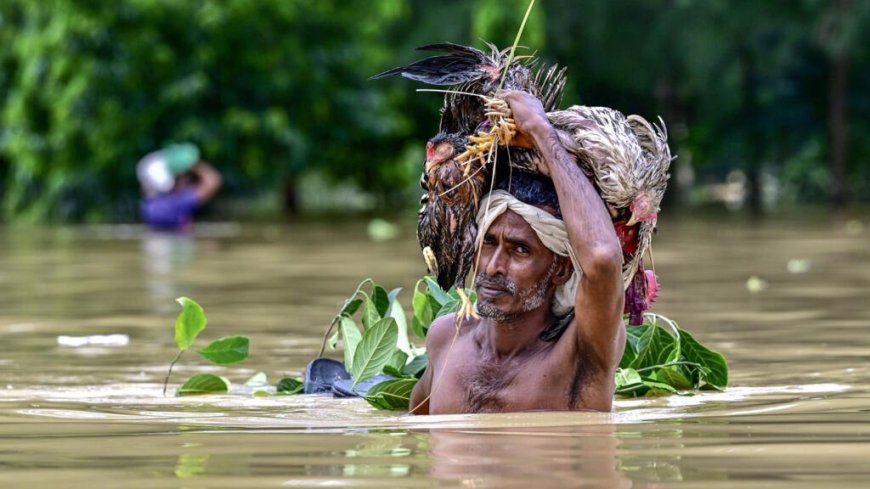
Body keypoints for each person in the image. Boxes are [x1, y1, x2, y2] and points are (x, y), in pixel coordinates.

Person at [410, 91, 626, 414]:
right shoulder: (446, 339)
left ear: (561, 269)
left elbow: (603, 259)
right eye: (489, 243)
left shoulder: (580, 352)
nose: (494, 266)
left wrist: (541, 131)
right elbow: (412, 435)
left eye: (519, 250)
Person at [137, 143, 222, 232]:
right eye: (186, 177)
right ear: (175, 180)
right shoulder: (177, 203)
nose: (188, 181)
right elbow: (213, 180)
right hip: (180, 242)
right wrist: (193, 163)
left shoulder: (149, 206)